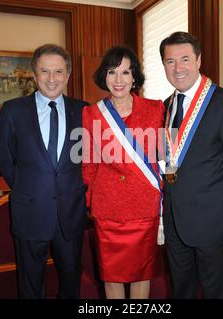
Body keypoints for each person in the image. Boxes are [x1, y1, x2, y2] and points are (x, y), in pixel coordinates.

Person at [159, 31, 223, 298]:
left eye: (185, 59)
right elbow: (171, 160)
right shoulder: (166, 107)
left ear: (199, 61)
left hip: (215, 224)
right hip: (175, 221)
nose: (178, 68)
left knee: (217, 292)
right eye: (170, 61)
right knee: (181, 290)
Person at [0, 44, 88, 299]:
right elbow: (6, 160)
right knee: (30, 281)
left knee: (71, 279)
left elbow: (89, 160)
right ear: (34, 75)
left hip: (70, 212)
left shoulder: (84, 111)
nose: (51, 79)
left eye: (58, 71)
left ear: (67, 75)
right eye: (44, 71)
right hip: (30, 209)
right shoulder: (12, 111)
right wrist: (29, 188)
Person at [82, 46, 165, 299]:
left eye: (126, 72)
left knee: (142, 272)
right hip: (109, 208)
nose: (119, 80)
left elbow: (163, 157)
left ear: (134, 77)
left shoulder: (155, 109)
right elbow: (89, 163)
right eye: (112, 72)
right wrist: (92, 198)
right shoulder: (92, 113)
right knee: (111, 273)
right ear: (103, 76)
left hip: (144, 205)